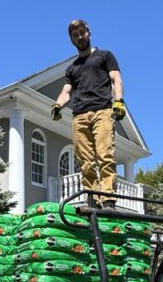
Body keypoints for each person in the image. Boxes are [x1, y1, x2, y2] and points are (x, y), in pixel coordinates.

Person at [51, 18, 126, 206]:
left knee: (105, 156)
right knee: (85, 161)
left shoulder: (104, 56)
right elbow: (66, 92)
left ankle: (108, 199)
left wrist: (119, 102)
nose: (79, 37)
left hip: (102, 111)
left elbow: (116, 79)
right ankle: (92, 199)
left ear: (89, 33)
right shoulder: (72, 68)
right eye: (75, 35)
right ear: (72, 40)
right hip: (80, 115)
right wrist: (57, 105)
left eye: (82, 32)